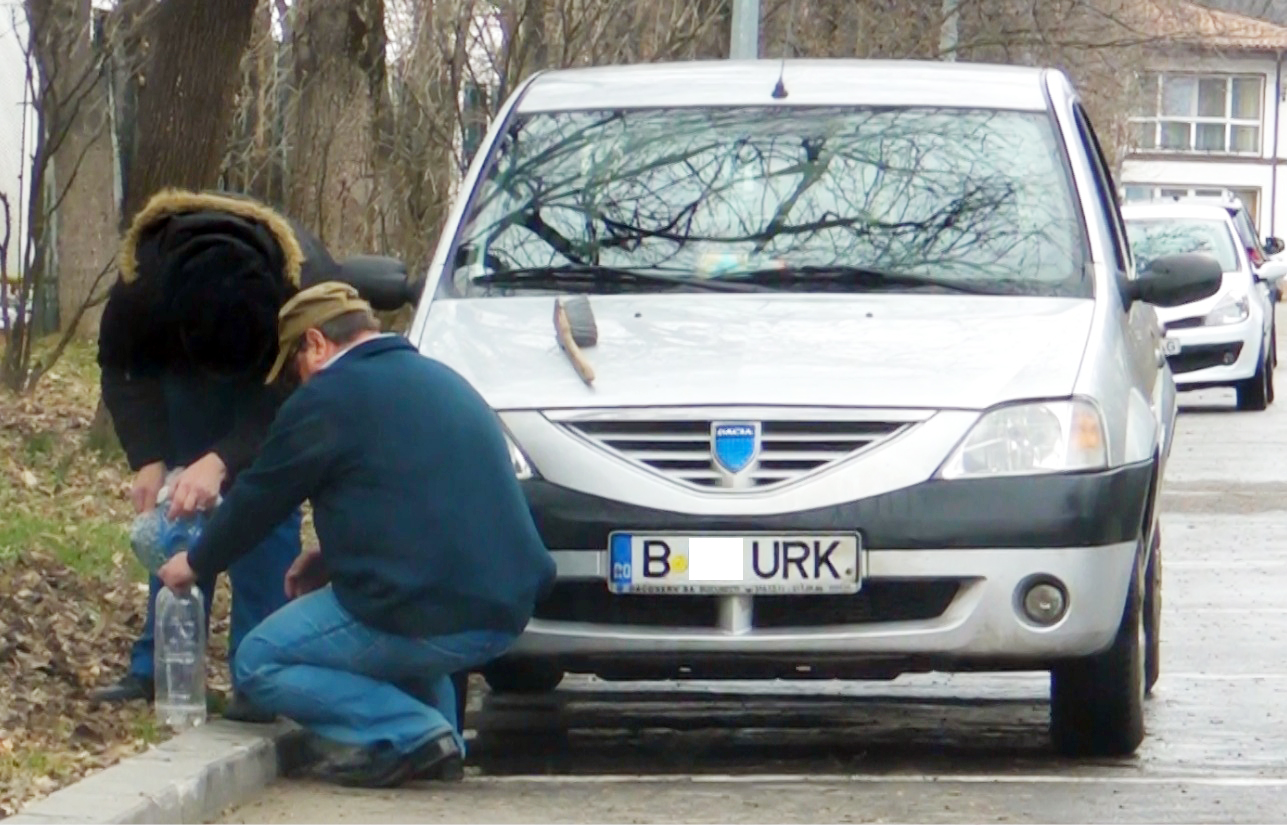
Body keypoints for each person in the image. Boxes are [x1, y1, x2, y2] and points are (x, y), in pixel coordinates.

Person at [157, 282, 556, 787]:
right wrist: (329, 557)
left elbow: (260, 497)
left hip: (423, 608)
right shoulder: (443, 381)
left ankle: (413, 732)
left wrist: (194, 562)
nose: (298, 386)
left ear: (317, 345)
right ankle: (443, 744)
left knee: (259, 661)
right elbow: (424, 501)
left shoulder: (329, 397)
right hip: (504, 610)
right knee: (414, 633)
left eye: (296, 368)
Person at [92, 190, 345, 719]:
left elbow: (296, 395)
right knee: (178, 515)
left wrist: (225, 458)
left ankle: (259, 674)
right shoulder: (145, 277)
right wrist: (150, 455)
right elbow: (120, 368)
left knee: (262, 514)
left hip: (271, 384)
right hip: (182, 380)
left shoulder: (303, 281)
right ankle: (158, 667)